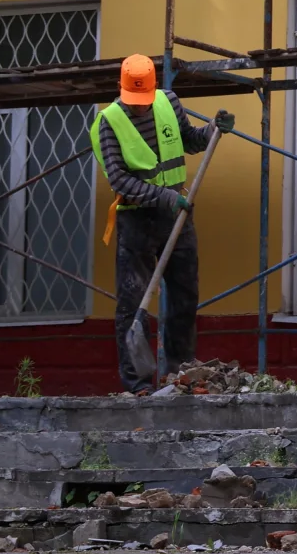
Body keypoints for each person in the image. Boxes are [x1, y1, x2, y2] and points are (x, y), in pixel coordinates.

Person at [91, 54, 233, 393]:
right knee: (132, 301)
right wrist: (165, 197)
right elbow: (120, 180)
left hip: (177, 216)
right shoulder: (107, 121)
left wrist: (212, 129)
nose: (140, 108)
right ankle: (138, 382)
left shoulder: (167, 102)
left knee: (185, 295)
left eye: (144, 101)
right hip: (137, 218)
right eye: (134, 102)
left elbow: (189, 139)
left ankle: (179, 375)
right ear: (121, 89)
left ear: (154, 88)